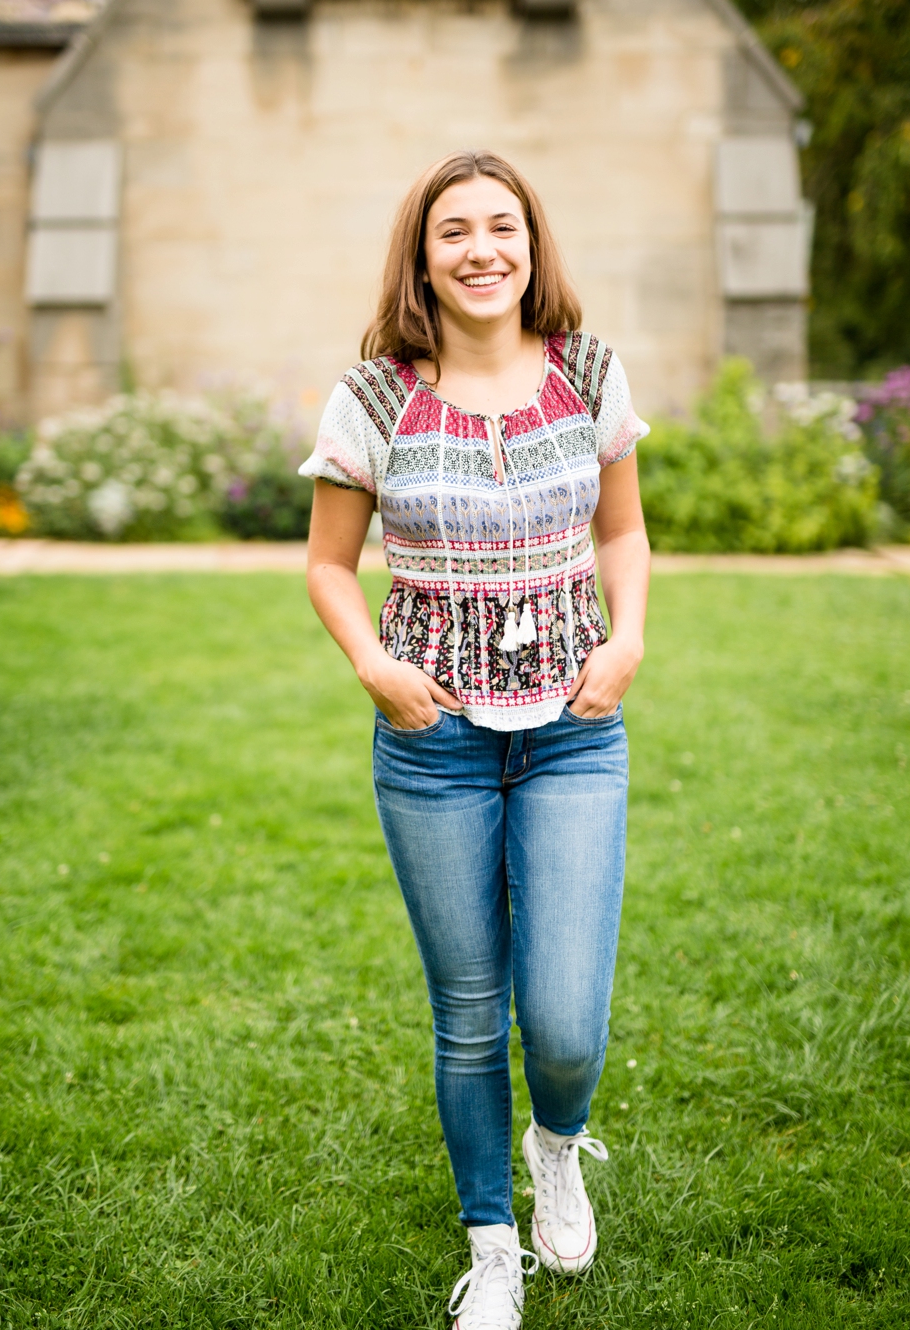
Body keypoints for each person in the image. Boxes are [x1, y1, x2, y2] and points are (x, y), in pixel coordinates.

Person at [301, 150, 649, 1330]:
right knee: (465, 1011)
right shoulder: (374, 397)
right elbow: (326, 564)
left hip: (571, 727)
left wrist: (630, 640)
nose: (482, 249)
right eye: (455, 232)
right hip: (432, 736)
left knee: (561, 1018)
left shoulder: (590, 373)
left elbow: (624, 534)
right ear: (423, 258)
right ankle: (490, 1245)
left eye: (503, 227)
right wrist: (373, 667)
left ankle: (557, 1142)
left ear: (533, 246)